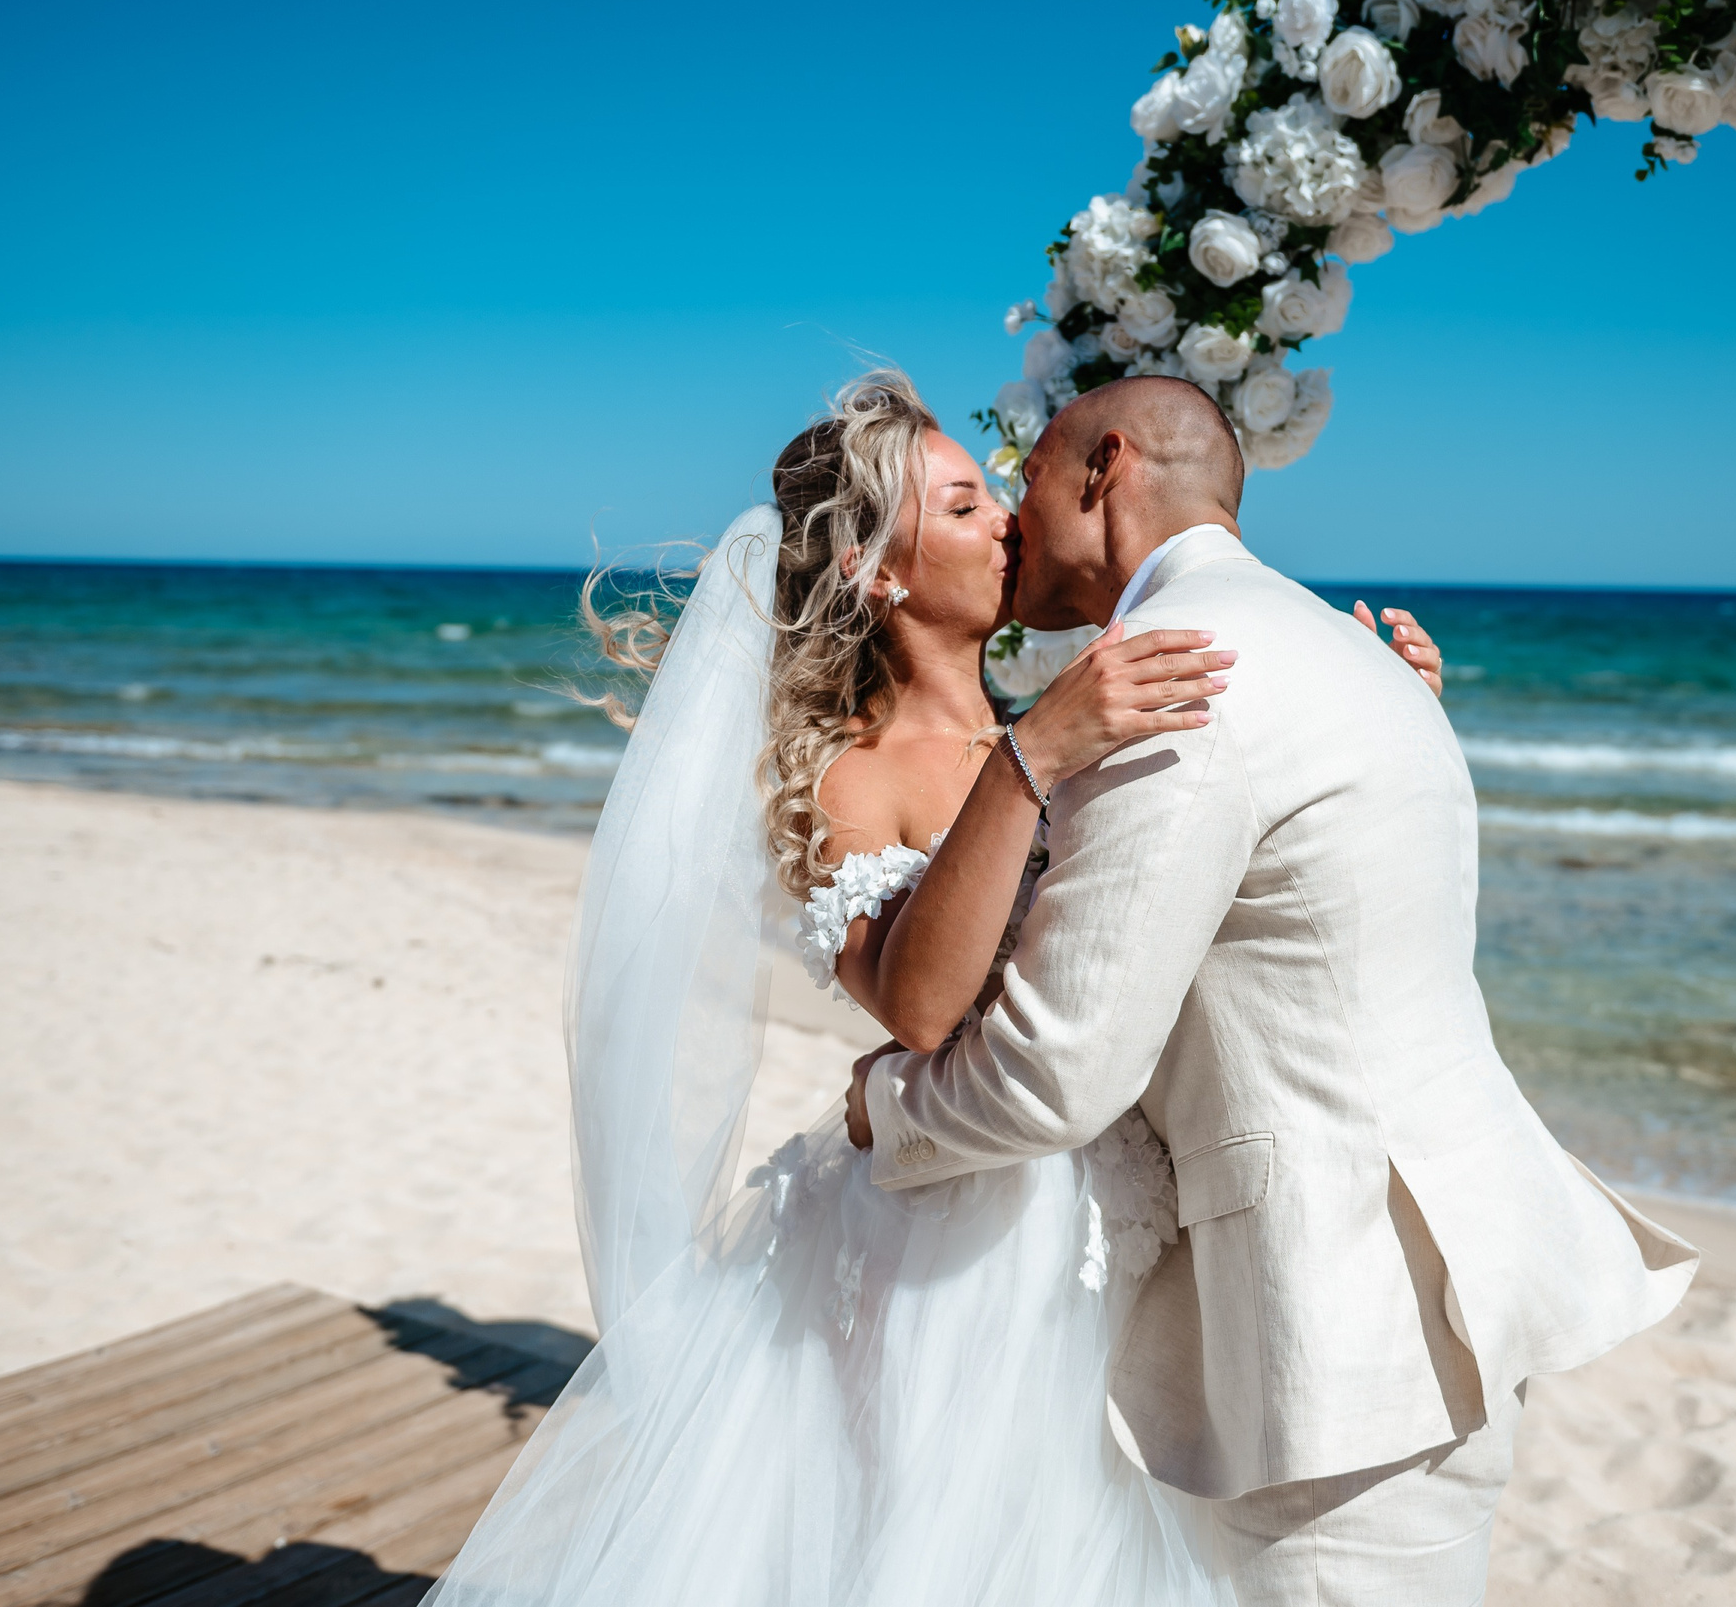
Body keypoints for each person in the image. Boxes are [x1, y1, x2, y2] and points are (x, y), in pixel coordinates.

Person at [422, 368, 1448, 1607]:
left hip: (1112, 1224)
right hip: (961, 1236)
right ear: (876, 572)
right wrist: (1031, 760)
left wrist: (1361, 708)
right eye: (965, 507)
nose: (1011, 520)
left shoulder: (1058, 710)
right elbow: (915, 1005)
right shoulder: (862, 773)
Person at [846, 374, 1701, 1605]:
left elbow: (1053, 1075)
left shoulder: (1182, 685)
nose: (1013, 516)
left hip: (1338, 1334)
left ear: (1105, 469)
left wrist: (886, 1108)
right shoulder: (1331, 651)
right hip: (1439, 1289)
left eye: (1021, 476)